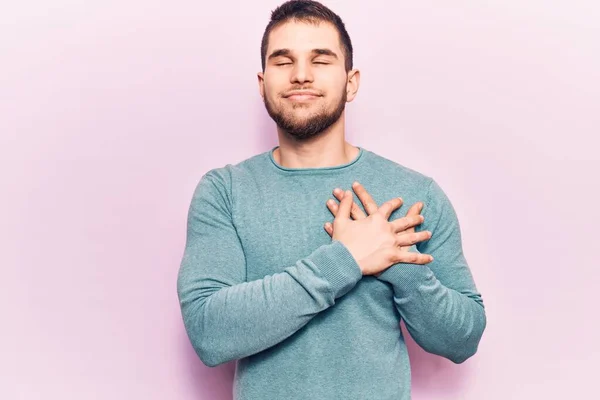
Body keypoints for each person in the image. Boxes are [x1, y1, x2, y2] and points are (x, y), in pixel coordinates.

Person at [176, 1, 487, 399]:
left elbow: (463, 339)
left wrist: (397, 262)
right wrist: (348, 260)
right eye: (283, 61)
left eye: (321, 60)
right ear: (262, 82)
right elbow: (209, 332)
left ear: (351, 81)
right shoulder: (225, 191)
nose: (301, 75)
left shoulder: (415, 193)